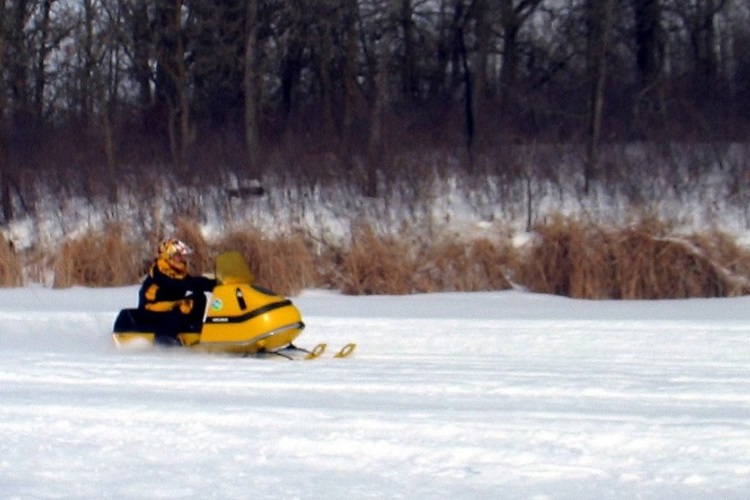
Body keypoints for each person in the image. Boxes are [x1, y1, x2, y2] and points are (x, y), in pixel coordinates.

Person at [138, 238, 216, 346]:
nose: (181, 258)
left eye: (181, 255)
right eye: (178, 255)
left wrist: (217, 282)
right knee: (186, 304)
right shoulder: (161, 271)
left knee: (199, 297)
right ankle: (164, 337)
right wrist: (212, 285)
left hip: (167, 305)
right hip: (151, 307)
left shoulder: (176, 270)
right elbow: (184, 283)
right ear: (168, 256)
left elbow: (189, 281)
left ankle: (193, 330)